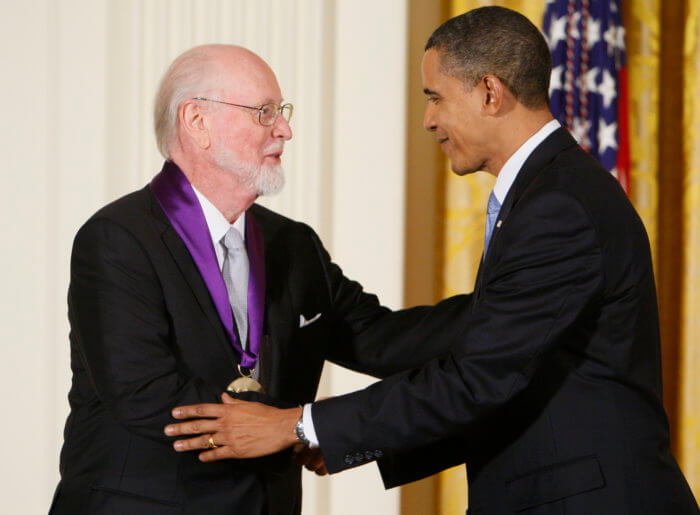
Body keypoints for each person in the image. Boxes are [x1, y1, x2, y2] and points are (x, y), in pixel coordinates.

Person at [165, 8, 698, 514]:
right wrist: (358, 434)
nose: (427, 120)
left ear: (490, 92)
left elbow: (479, 377)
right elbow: (505, 364)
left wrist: (299, 426)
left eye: (435, 97)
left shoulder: (557, 206)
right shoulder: (549, 191)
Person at [49, 44, 462, 514]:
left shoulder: (294, 244)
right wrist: (297, 428)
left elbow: (384, 339)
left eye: (280, 112)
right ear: (197, 121)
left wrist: (508, 300)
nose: (284, 129)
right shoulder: (117, 239)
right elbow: (145, 393)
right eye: (264, 113)